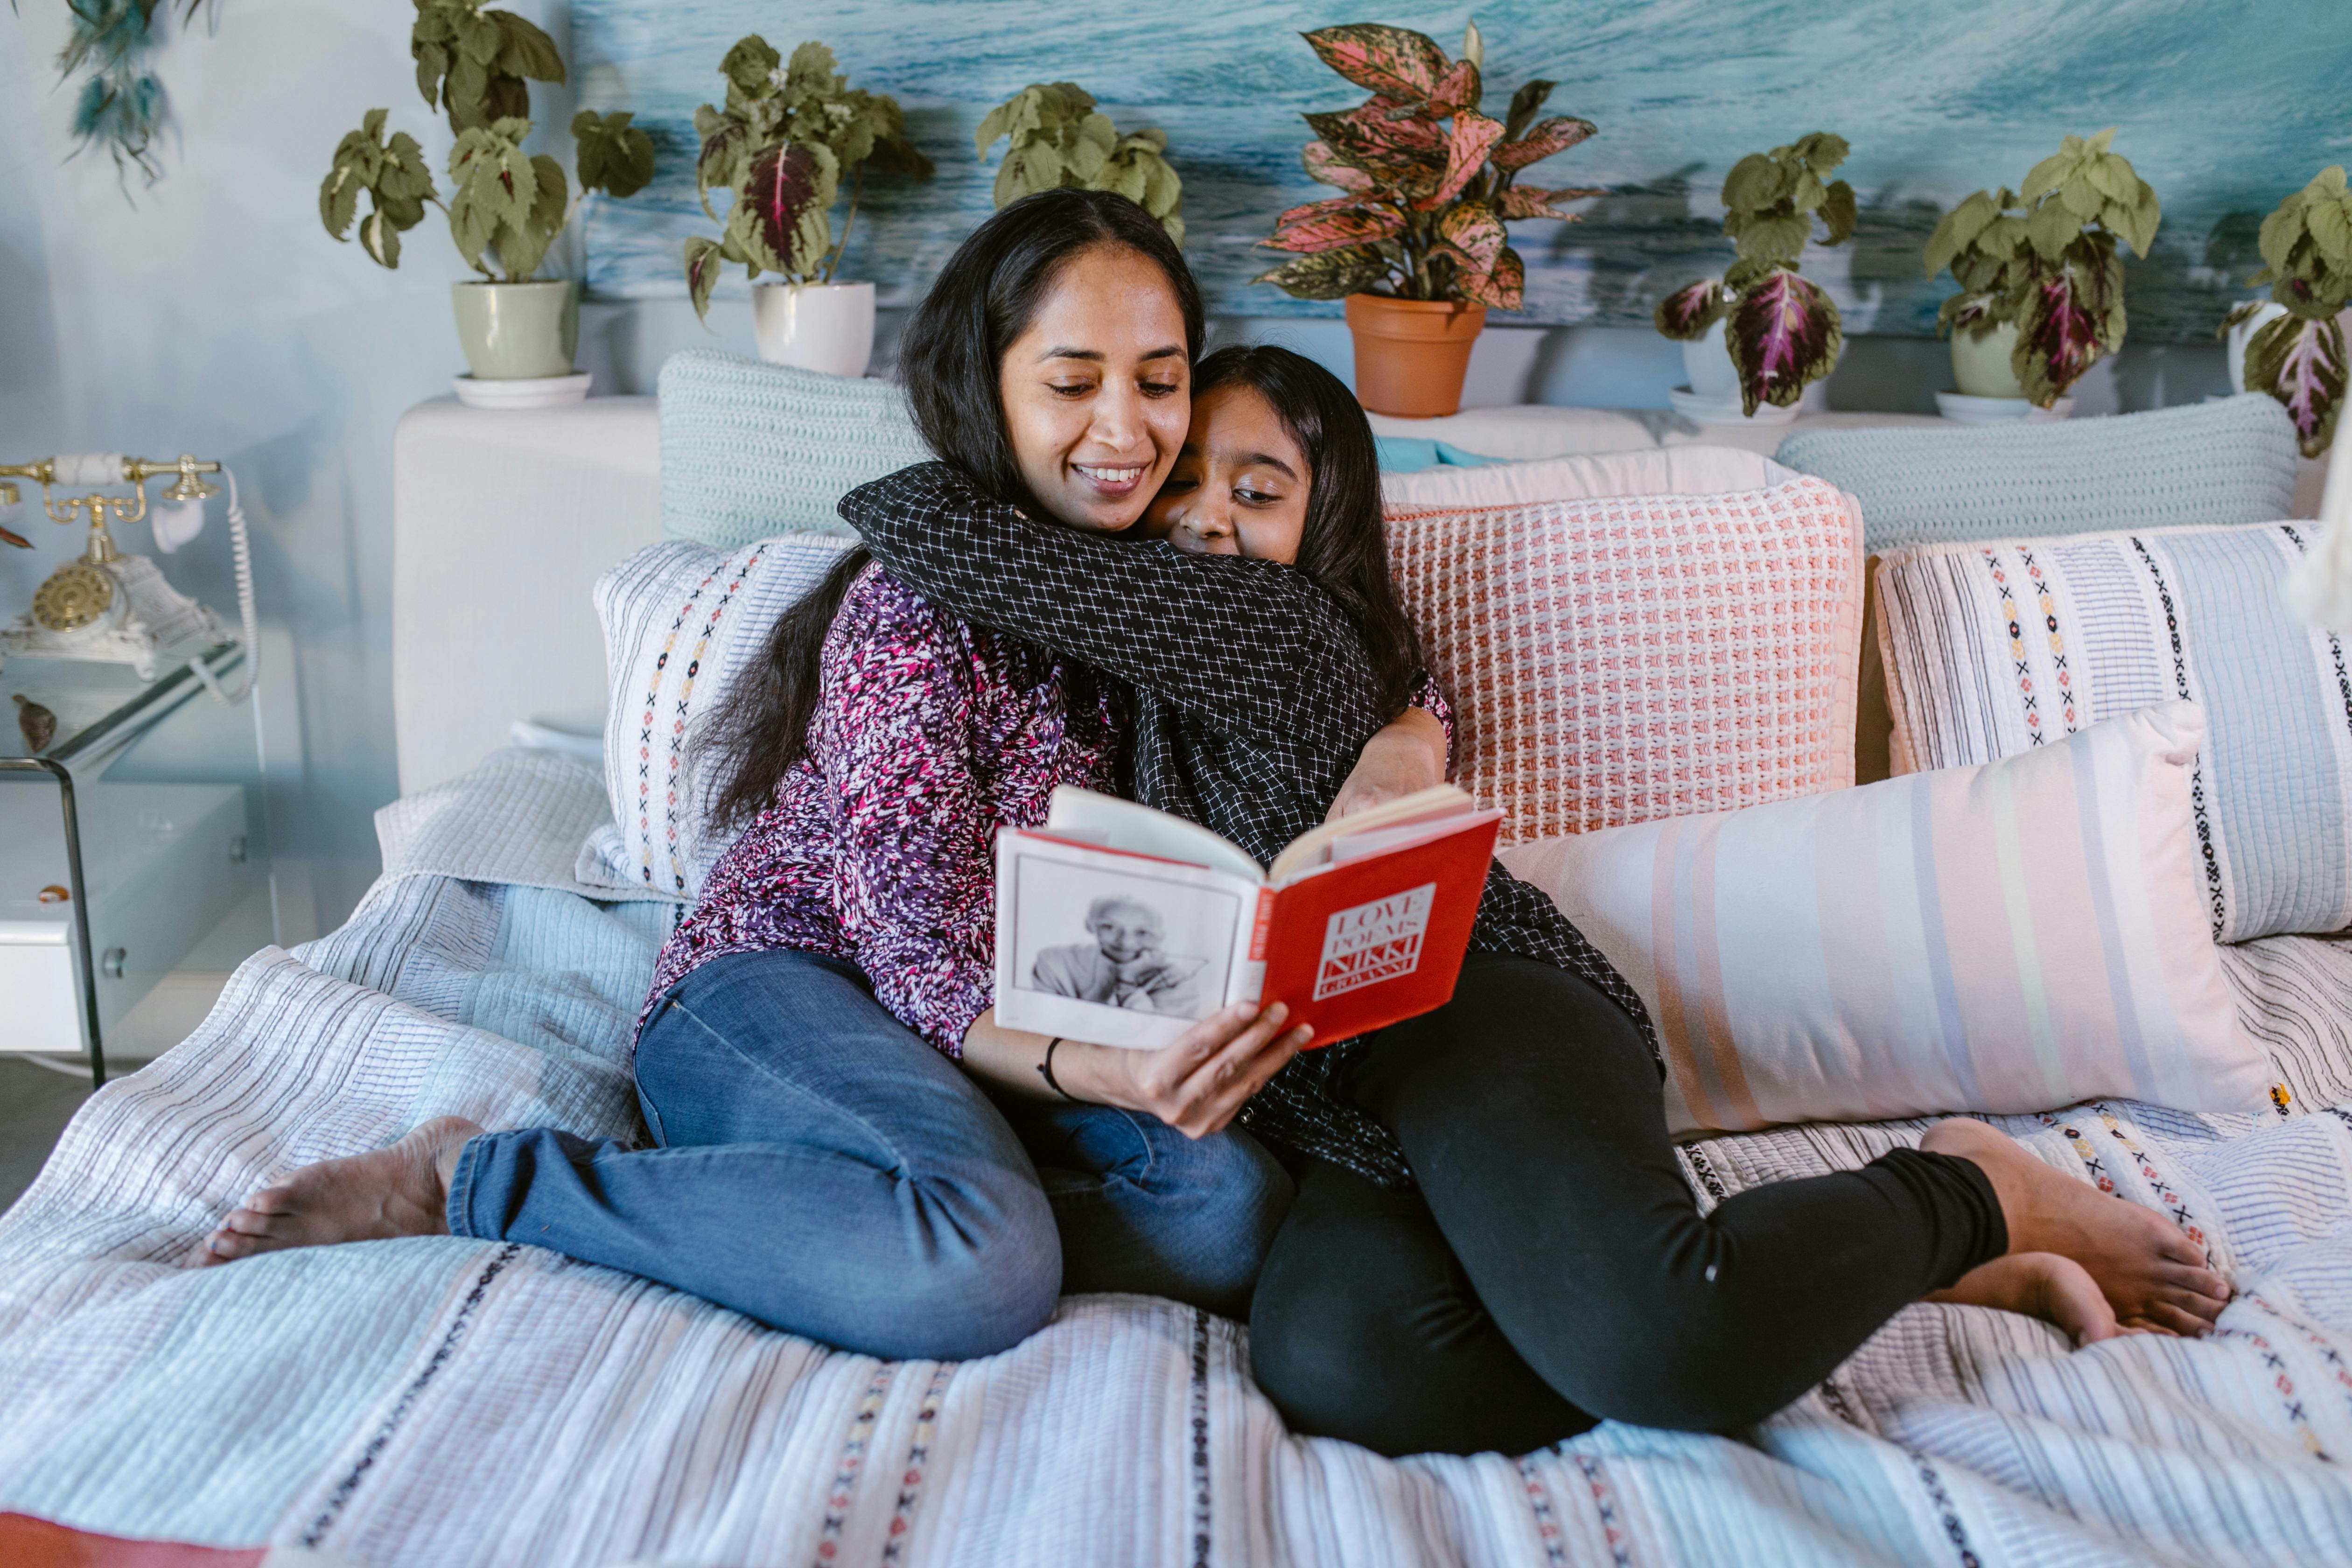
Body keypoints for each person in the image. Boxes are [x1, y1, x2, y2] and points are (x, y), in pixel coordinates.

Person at [836, 319, 2236, 1456]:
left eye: (1256, 489)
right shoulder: (1121, 673)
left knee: (1660, 1343)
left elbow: (912, 514)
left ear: (1324, 531)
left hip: (1479, 1011)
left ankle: (1957, 1193)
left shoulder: (1285, 627)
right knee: (1348, 1366)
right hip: (1341, 1108)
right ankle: (1849, 1280)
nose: (1202, 515)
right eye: (1183, 478)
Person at [196, 190, 1443, 1355]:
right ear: (988, 388)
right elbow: (909, 952)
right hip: (792, 985)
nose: (1127, 433)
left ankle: (885, 1207)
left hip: (1013, 1037)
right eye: (1073, 382)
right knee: (982, 1264)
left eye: (1159, 384)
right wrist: (1109, 1073)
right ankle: (476, 1177)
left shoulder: (1157, 585)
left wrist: (1406, 734)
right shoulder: (920, 604)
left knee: (1228, 1213)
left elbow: (1340, 639)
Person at [1031, 897, 1207, 1015]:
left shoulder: (1178, 981)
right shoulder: (1056, 962)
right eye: (1109, 927)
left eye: (1142, 932)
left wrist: (1127, 983)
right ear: (1090, 925)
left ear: (1160, 938)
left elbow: (1151, 1035)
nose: (1125, 942)